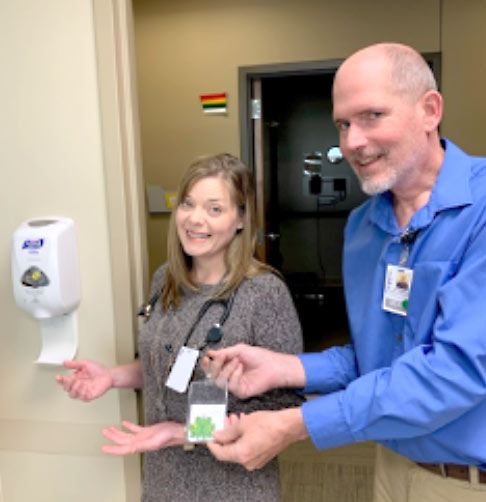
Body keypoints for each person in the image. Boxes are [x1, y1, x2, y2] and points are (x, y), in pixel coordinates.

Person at [202, 43, 486, 502]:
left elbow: (455, 371)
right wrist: (284, 368)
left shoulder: (481, 212)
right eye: (343, 124)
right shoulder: (362, 228)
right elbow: (378, 359)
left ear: (429, 110)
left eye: (372, 115)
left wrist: (295, 424)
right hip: (392, 466)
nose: (352, 142)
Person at [56, 153, 303, 501]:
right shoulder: (166, 281)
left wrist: (180, 432)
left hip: (231, 482)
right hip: (163, 476)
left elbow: (284, 407)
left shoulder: (263, 293)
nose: (195, 219)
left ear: (240, 219)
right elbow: (167, 366)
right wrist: (111, 377)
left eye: (214, 209)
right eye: (188, 203)